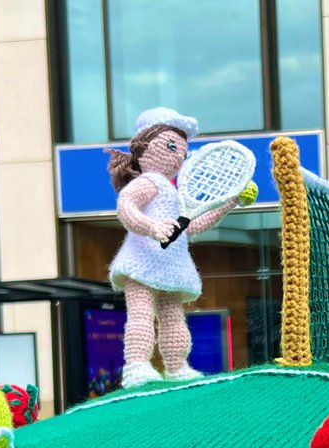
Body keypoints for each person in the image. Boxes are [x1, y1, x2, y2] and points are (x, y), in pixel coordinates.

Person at [107, 107, 257, 385]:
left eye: (182, 152)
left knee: (174, 319)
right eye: (171, 146)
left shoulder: (174, 192)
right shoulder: (148, 182)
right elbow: (126, 207)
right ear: (145, 147)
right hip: (141, 260)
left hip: (170, 265)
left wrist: (228, 203)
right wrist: (153, 227)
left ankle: (177, 367)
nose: (178, 157)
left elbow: (194, 225)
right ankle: (136, 365)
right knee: (141, 315)